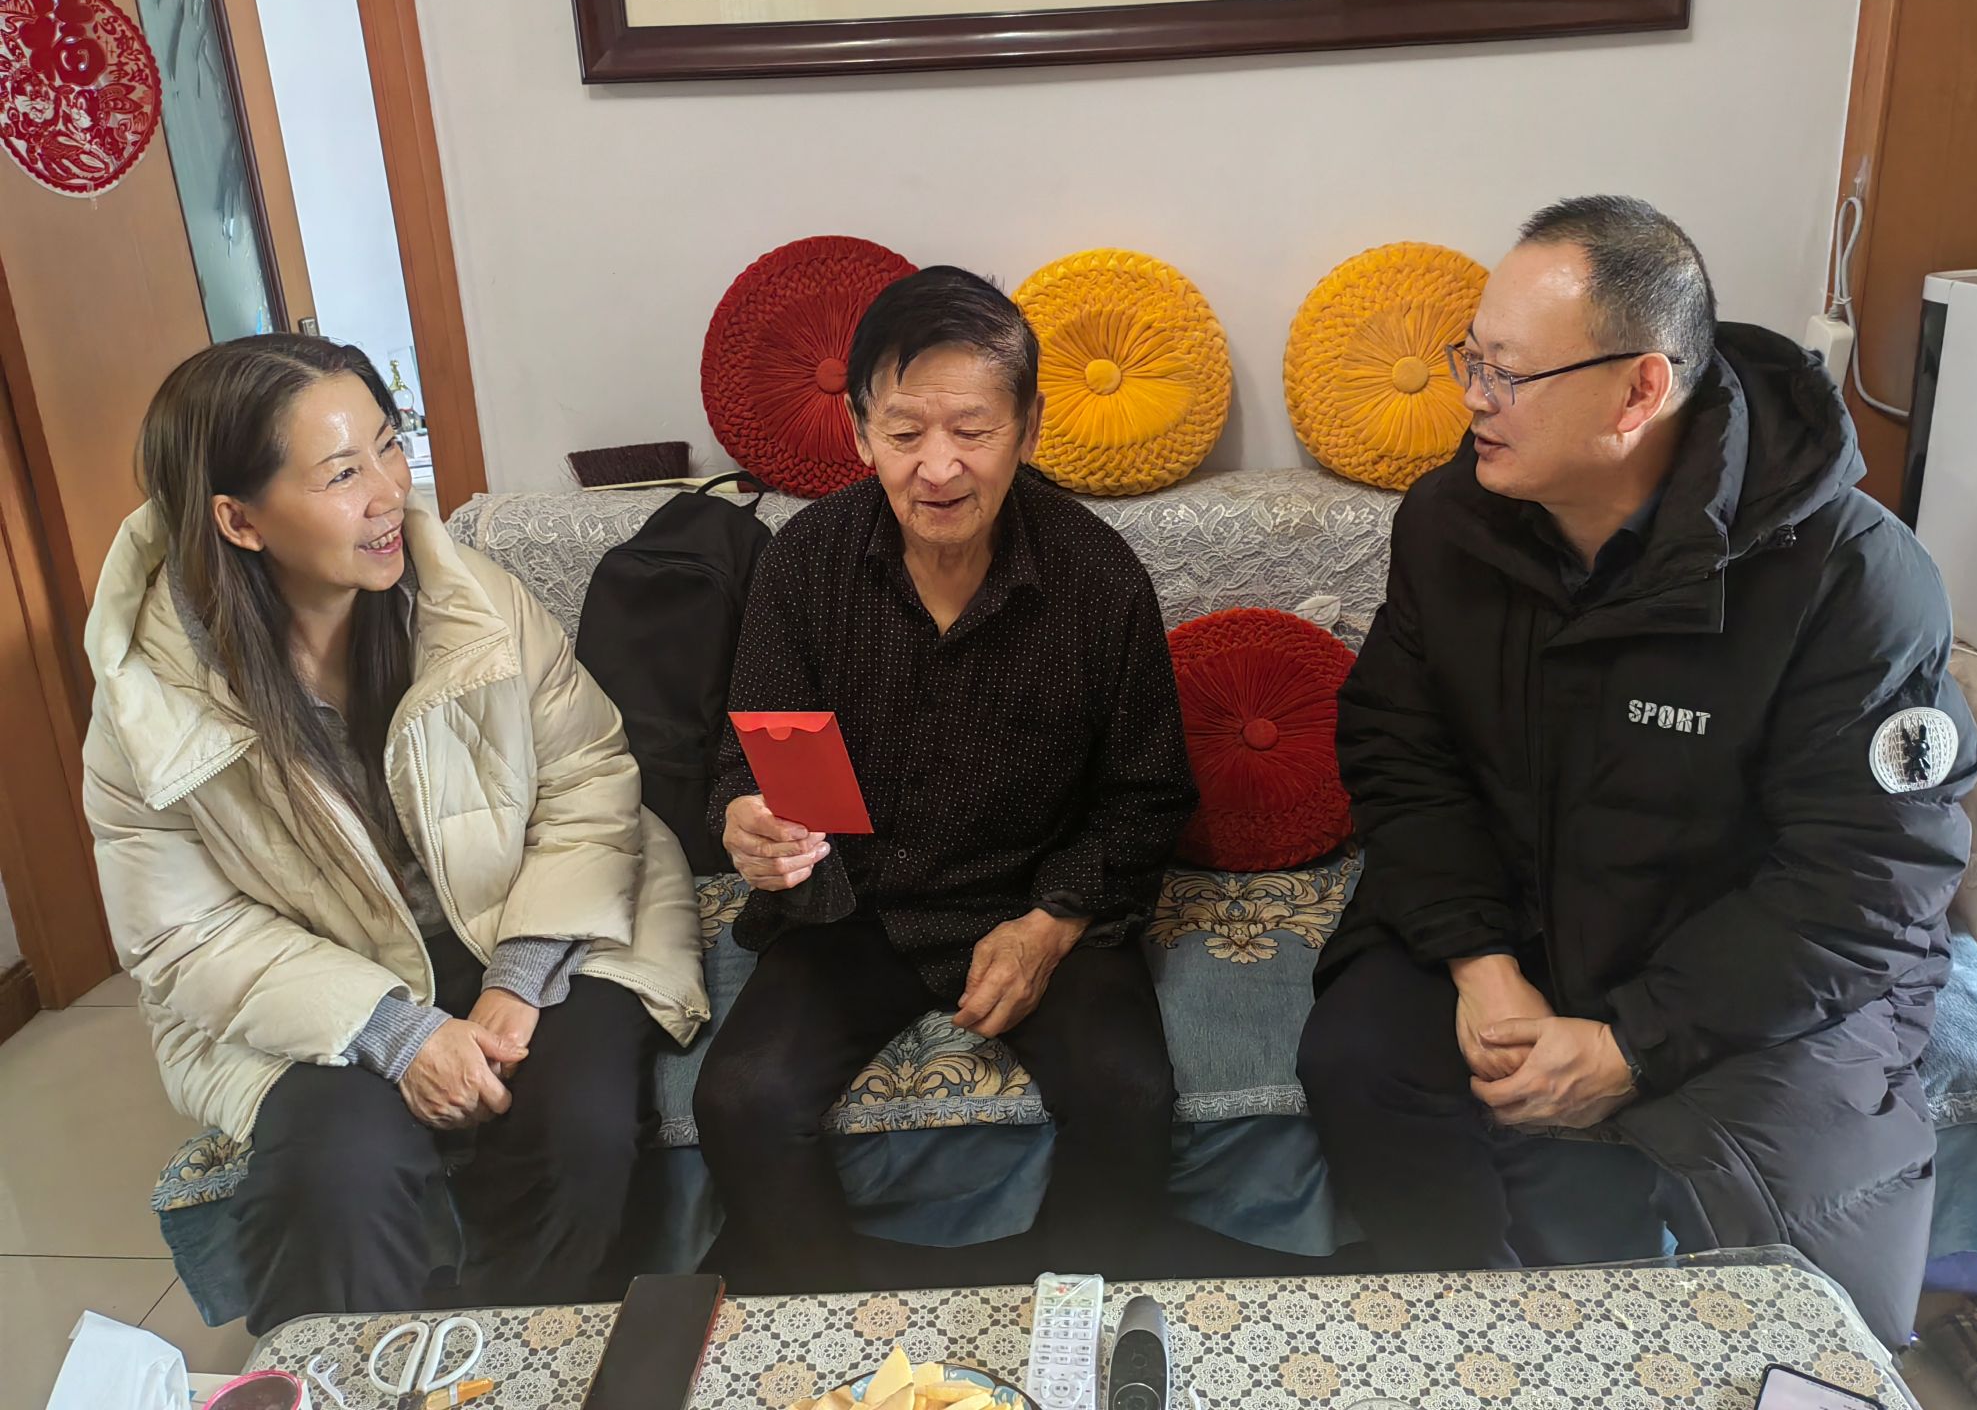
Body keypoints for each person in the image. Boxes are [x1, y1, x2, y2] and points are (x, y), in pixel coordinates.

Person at [1296, 195, 1977, 1347]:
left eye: (1507, 373)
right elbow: (1398, 752)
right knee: (1359, 1055)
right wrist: (1480, 966)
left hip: (1740, 957)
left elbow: (1868, 876)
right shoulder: (1448, 523)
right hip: (1519, 908)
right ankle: (1485, 1348)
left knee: (1798, 1230)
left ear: (1637, 392)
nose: (1472, 398)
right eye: (1471, 359)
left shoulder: (1850, 578)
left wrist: (1630, 1044)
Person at [81, 335, 708, 1332]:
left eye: (388, 446)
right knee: (335, 1170)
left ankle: (522, 1371)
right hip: (320, 978)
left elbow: (590, 776)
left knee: (580, 1125)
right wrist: (395, 1032)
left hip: (523, 915)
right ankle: (343, 1387)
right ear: (239, 519)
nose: (389, 494)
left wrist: (521, 973)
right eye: (341, 474)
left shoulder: (471, 597)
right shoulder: (148, 700)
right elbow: (181, 932)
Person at [697, 266, 1197, 1290]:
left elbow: (1147, 794)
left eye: (972, 429)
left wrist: (1050, 925)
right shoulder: (805, 564)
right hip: (857, 905)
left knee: (1130, 1096)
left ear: (1029, 428)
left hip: (1032, 897)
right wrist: (747, 819)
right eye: (904, 431)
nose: (937, 467)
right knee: (740, 1098)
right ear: (859, 432)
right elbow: (748, 762)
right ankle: (840, 1334)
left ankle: (1062, 1339)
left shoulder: (1097, 578)